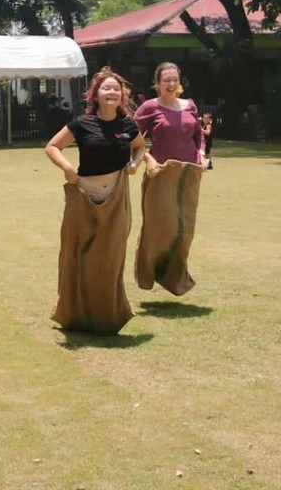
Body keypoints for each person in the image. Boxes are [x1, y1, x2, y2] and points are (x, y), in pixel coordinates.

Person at [45, 67, 145, 334]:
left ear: (122, 95)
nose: (111, 92)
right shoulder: (82, 124)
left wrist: (135, 163)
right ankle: (75, 316)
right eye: (106, 88)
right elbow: (52, 147)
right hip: (84, 198)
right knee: (79, 257)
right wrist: (67, 168)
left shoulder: (128, 125)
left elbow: (139, 147)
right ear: (96, 94)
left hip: (116, 199)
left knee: (109, 259)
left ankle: (106, 317)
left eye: (116, 89)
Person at [132, 62, 207, 297]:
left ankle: (175, 277)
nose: (171, 84)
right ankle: (148, 273)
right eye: (167, 80)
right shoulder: (149, 107)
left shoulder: (190, 106)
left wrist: (202, 154)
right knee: (160, 228)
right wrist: (148, 159)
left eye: (175, 80)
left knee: (184, 230)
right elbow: (131, 138)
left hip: (189, 173)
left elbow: (199, 135)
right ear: (157, 83)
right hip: (161, 173)